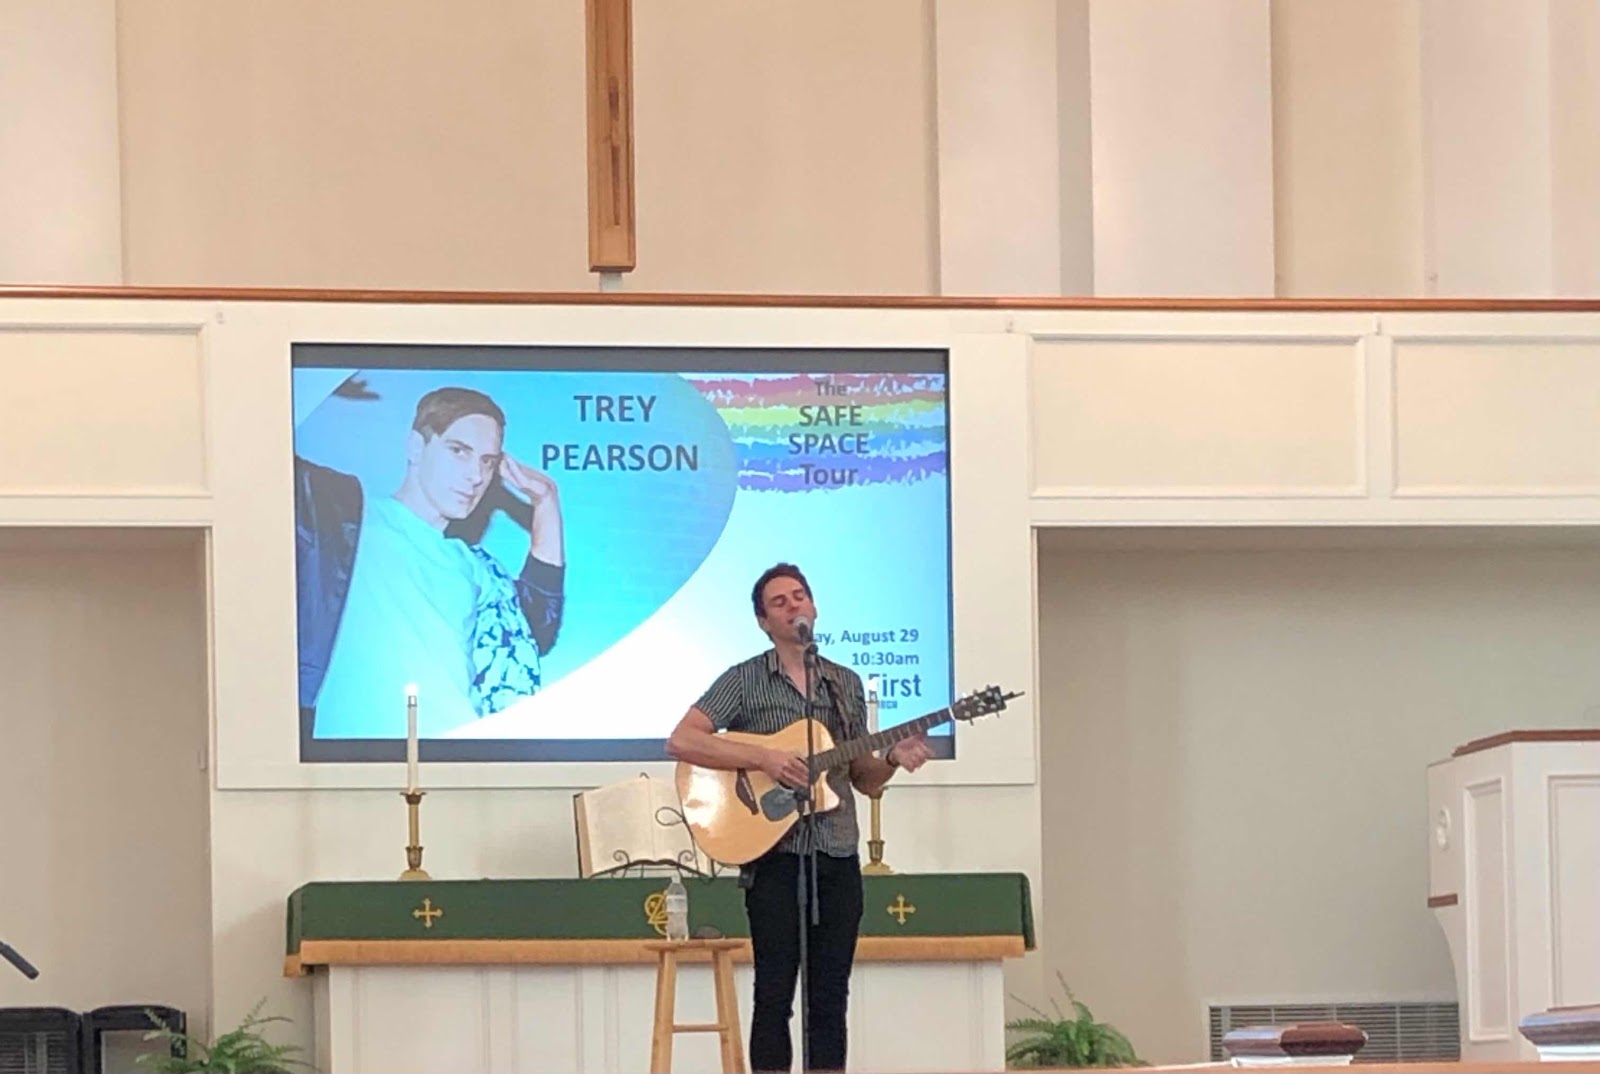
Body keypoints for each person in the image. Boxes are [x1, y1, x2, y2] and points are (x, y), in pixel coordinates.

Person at [666, 563, 934, 1073]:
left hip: (836, 853)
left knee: (830, 997)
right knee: (773, 994)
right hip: (775, 858)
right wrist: (764, 758)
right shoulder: (744, 679)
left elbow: (864, 778)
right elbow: (682, 739)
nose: (793, 606)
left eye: (799, 596)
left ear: (814, 607)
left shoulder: (843, 683)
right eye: (780, 601)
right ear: (763, 622)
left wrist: (893, 758)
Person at [296, 385, 565, 736]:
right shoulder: (346, 519)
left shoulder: (475, 565)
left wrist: (546, 503)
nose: (475, 476)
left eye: (487, 462)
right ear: (415, 447)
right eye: (459, 451)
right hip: (353, 755)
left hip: (462, 752)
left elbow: (535, 627)